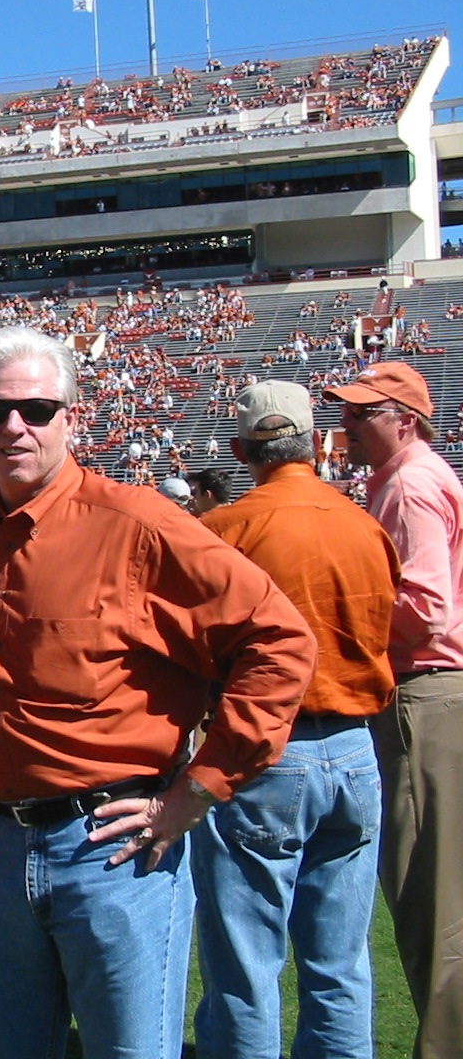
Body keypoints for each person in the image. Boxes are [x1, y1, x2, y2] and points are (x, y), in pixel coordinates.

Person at [0, 325, 316, 1059]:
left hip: (113, 846)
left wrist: (201, 787)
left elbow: (279, 641)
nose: (14, 426)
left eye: (37, 409)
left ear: (69, 417)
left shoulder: (138, 524)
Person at [194, 380, 400, 1058]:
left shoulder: (228, 529)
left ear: (239, 452)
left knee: (246, 967)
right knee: (341, 965)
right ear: (317, 443)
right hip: (354, 749)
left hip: (263, 752)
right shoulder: (363, 523)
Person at [324, 361, 463, 1059]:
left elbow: (427, 613)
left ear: (403, 419)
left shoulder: (409, 486)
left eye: (360, 412)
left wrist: (343, 620)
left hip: (421, 696)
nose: (344, 424)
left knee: (430, 902)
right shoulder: (414, 478)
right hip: (431, 698)